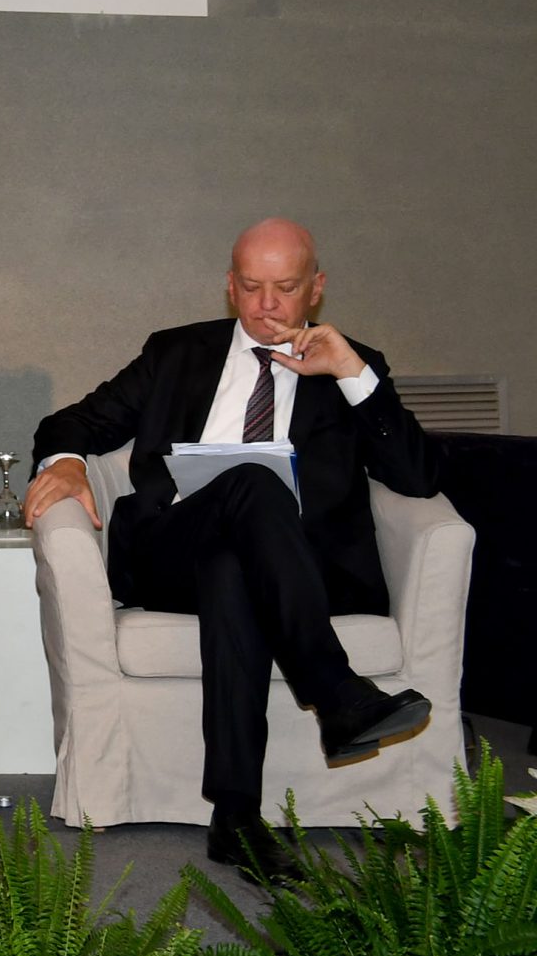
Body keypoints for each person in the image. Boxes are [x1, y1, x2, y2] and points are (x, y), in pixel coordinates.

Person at [25, 217, 438, 883]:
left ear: (316, 288)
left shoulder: (352, 365)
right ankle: (335, 690)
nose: (266, 304)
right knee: (251, 479)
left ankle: (236, 817)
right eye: (250, 287)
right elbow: (71, 421)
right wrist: (69, 461)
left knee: (233, 568)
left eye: (285, 288)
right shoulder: (176, 352)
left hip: (294, 569)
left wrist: (352, 372)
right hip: (170, 554)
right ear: (229, 285)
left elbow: (418, 477)